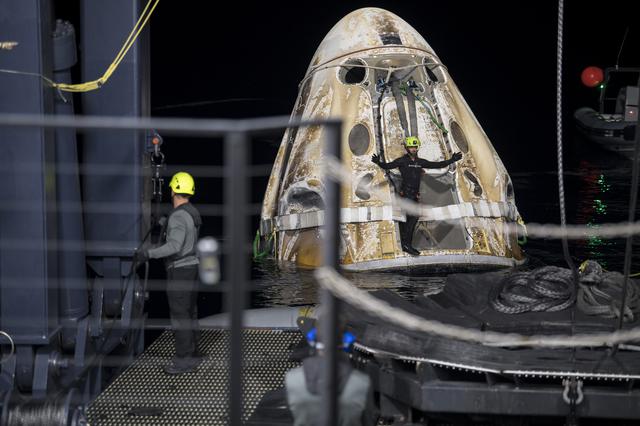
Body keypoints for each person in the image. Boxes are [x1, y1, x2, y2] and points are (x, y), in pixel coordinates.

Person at [135, 171, 203, 374]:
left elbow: (174, 246)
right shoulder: (191, 212)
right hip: (192, 269)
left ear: (173, 190)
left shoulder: (178, 217)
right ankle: (193, 354)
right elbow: (185, 231)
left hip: (180, 271)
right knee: (190, 312)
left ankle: (183, 361)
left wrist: (148, 254)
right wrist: (164, 222)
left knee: (180, 316)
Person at [372, 136, 462, 255]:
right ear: (406, 148)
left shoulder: (420, 162)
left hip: (414, 195)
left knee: (410, 220)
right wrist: (378, 162)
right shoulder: (402, 161)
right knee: (411, 219)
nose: (413, 149)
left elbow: (437, 165)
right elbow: (387, 166)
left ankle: (406, 244)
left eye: (415, 147)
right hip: (405, 195)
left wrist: (452, 160)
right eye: (411, 147)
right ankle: (406, 245)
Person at [285, 320, 376, 426]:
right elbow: (368, 421)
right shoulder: (361, 382)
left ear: (313, 340)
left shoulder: (292, 379)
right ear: (345, 342)